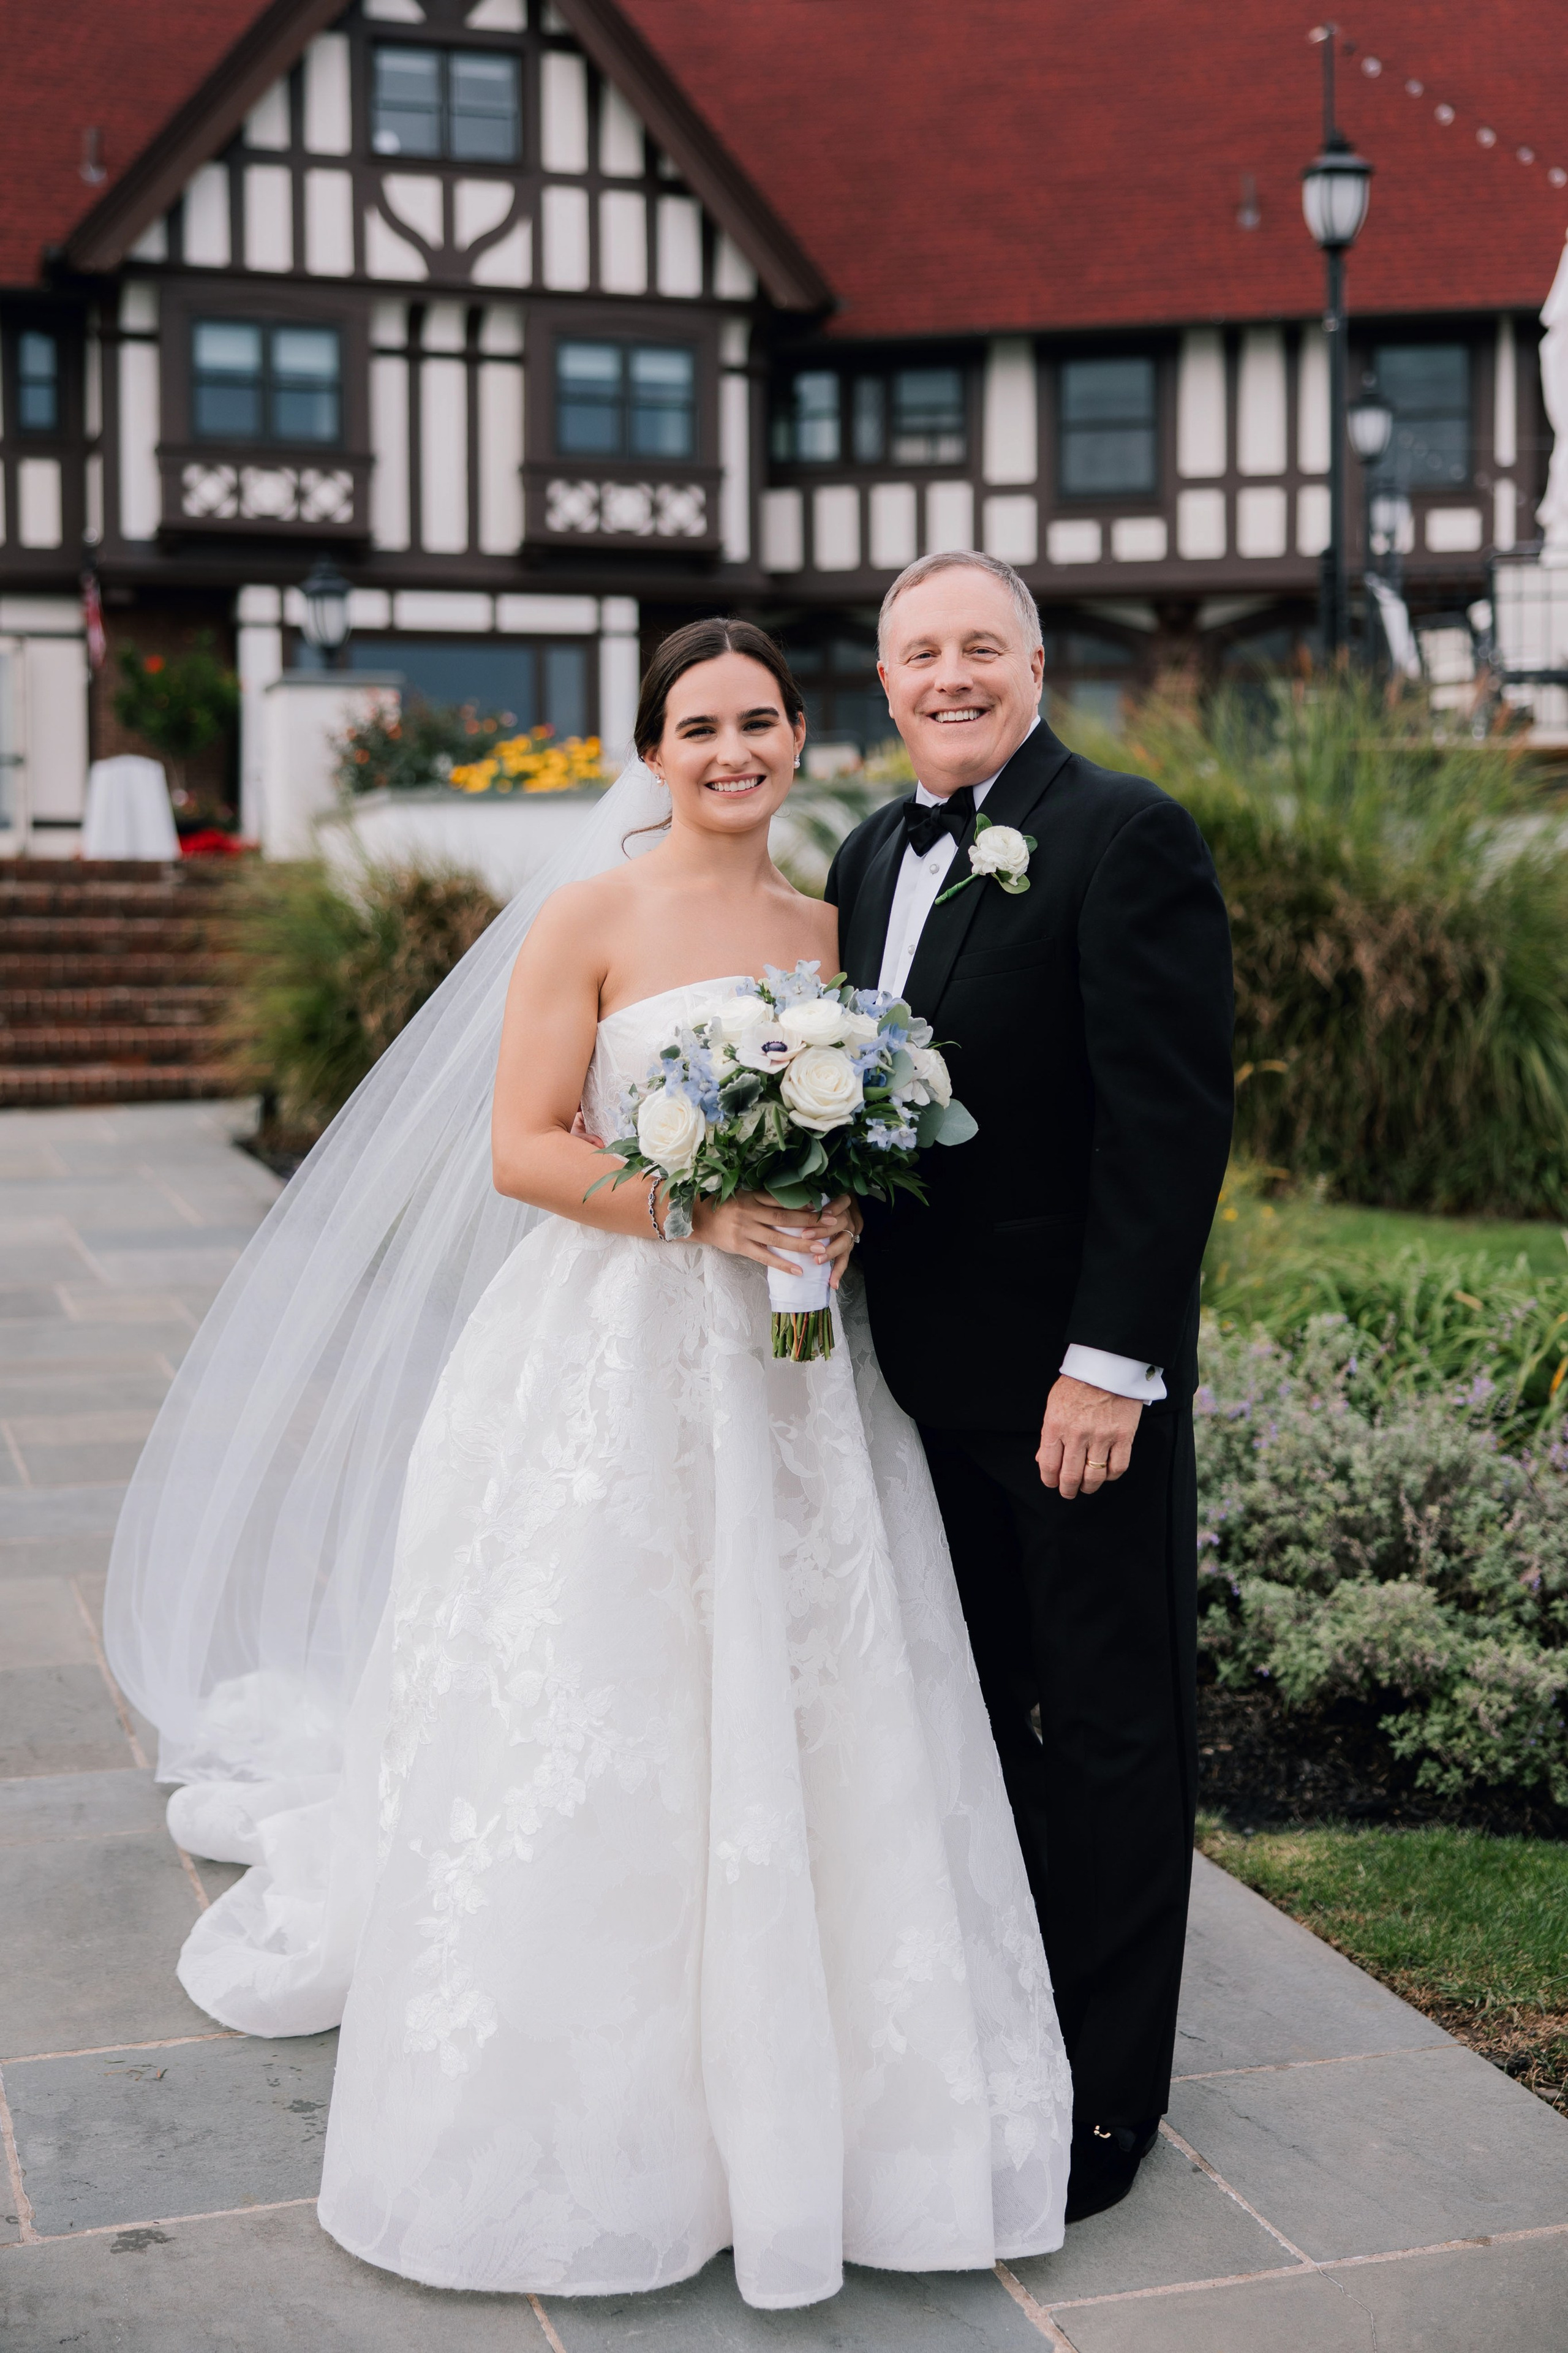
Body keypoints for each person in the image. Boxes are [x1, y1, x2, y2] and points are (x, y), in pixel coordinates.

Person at [109, 618, 1071, 2310]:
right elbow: (521, 1148)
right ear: (651, 750)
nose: (731, 752)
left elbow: (860, 1120)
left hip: (789, 1371)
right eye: (697, 726)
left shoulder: (827, 924)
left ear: (793, 737)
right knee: (607, 1682)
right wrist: (704, 1200)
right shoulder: (592, 915)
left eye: (759, 721)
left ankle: (828, 2083)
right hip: (613, 1352)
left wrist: (827, 1200)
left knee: (813, 1687)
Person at [826, 553, 1234, 2223]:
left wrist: (1110, 1365)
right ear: (886, 680)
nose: (948, 675)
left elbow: (1168, 1121)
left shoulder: (1124, 833)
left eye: (978, 645)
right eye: (919, 652)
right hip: (917, 1385)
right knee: (981, 1723)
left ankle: (1111, 2101)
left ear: (1040, 662)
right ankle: (1010, 2025)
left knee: (1114, 1728)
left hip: (1072, 1395)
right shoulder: (864, 853)